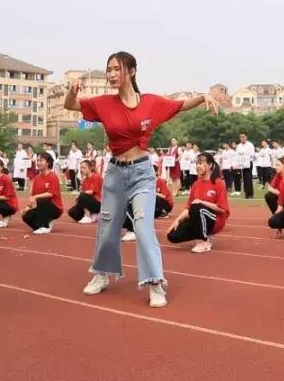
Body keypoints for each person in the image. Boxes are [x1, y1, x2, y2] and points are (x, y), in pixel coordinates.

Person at [65, 51, 217, 307]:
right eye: (109, 70)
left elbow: (181, 104)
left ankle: (155, 283)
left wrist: (204, 97)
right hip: (114, 173)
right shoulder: (103, 103)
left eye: (117, 69)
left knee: (144, 227)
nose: (111, 74)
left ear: (132, 71)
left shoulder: (150, 103)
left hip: (142, 173)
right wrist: (72, 90)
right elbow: (72, 105)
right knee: (107, 227)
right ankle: (102, 274)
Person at [167, 152, 230, 252]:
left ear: (210, 165)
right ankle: (201, 232)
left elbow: (222, 209)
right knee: (172, 235)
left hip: (215, 220)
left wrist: (202, 202)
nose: (197, 166)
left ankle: (204, 240)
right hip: (198, 214)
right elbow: (188, 207)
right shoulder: (196, 184)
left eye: (201, 163)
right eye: (196, 163)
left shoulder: (219, 183)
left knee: (197, 206)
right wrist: (176, 221)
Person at [22, 152, 63, 233]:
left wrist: (36, 197)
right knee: (26, 216)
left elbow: (50, 194)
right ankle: (42, 225)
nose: (38, 163)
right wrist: (27, 207)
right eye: (37, 160)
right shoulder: (36, 178)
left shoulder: (53, 176)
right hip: (41, 206)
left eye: (41, 161)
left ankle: (45, 226)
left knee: (42, 200)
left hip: (54, 208)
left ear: (48, 163)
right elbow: (33, 196)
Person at [67, 159, 103, 224]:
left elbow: (91, 192)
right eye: (81, 167)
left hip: (99, 203)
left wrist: (79, 195)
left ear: (90, 168)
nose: (81, 169)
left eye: (84, 168)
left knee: (82, 195)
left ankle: (88, 216)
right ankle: (92, 215)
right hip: (89, 202)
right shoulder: (85, 180)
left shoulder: (96, 177)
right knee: (71, 212)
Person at [235, 132, 256, 199]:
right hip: (242, 163)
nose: (242, 138)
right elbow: (237, 154)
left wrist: (244, 154)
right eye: (241, 137)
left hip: (248, 162)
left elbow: (252, 154)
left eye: (243, 137)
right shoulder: (238, 146)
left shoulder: (250, 145)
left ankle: (250, 193)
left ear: (246, 137)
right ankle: (246, 193)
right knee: (244, 178)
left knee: (248, 178)